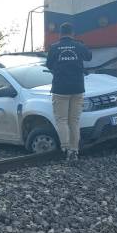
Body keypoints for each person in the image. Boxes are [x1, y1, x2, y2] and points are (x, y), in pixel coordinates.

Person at [45, 22, 92, 164]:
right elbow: (89, 56)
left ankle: (65, 148)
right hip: (77, 88)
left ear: (60, 33)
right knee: (74, 121)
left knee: (62, 120)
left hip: (60, 89)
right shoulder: (79, 46)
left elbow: (48, 64)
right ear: (72, 33)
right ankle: (74, 150)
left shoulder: (54, 47)